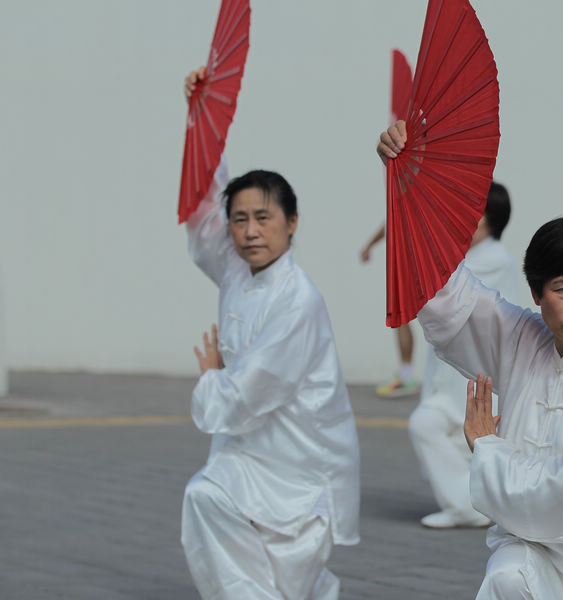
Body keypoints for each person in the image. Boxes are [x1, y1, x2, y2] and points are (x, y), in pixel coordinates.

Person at [376, 122, 563, 599]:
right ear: (537, 294)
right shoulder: (521, 338)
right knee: (508, 572)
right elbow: (447, 293)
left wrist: (489, 448)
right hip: (532, 550)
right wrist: (408, 179)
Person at [180, 68, 360, 600]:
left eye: (263, 217)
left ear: (292, 223)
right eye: (240, 219)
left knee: (289, 581)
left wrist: (213, 380)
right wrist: (201, 115)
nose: (250, 230)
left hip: (300, 468)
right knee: (206, 499)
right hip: (249, 458)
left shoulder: (296, 301)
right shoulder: (238, 269)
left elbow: (246, 396)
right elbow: (202, 212)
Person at [408, 181, 521, 529]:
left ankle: (467, 505)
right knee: (431, 428)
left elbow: (445, 285)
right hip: (452, 372)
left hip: (473, 373)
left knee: (439, 430)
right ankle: (468, 503)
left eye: (470, 213)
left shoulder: (494, 260)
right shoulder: (469, 256)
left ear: (486, 220)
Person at [360, 224, 420, 398]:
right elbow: (390, 223)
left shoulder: (409, 198)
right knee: (402, 316)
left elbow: (392, 223)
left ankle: (406, 375)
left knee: (401, 316)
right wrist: (370, 245)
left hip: (411, 262)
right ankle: (405, 372)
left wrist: (369, 245)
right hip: (412, 261)